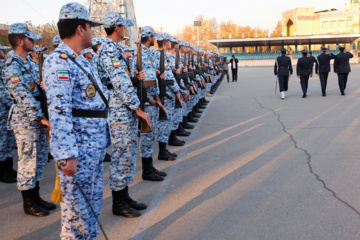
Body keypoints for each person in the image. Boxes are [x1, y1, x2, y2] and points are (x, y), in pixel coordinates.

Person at [43, 2, 109, 238]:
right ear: (81, 29)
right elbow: (59, 112)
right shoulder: (58, 61)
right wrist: (67, 155)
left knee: (90, 212)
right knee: (75, 217)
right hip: (78, 153)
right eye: (92, 27)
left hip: (92, 148)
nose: (94, 32)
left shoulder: (81, 60)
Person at [97, 12, 151, 217]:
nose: (127, 29)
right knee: (121, 156)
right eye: (124, 26)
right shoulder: (109, 50)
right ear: (117, 28)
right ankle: (118, 204)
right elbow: (119, 84)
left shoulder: (115, 49)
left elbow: (123, 81)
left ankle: (125, 197)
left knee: (127, 155)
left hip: (124, 110)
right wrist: (138, 108)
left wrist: (135, 78)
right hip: (119, 112)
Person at [3, 23, 56, 216]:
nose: (33, 42)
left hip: (38, 118)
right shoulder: (11, 65)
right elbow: (21, 94)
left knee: (39, 159)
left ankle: (36, 196)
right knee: (27, 162)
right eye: (29, 39)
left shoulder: (30, 63)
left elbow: (38, 87)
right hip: (26, 121)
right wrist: (40, 116)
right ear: (19, 41)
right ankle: (28, 203)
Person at [0, 44, 17, 183]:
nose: (3, 52)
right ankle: (2, 172)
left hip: (8, 112)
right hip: (2, 111)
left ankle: (9, 169)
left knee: (10, 141)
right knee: (2, 143)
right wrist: (13, 104)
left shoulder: (4, 66)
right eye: (1, 49)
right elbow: (2, 91)